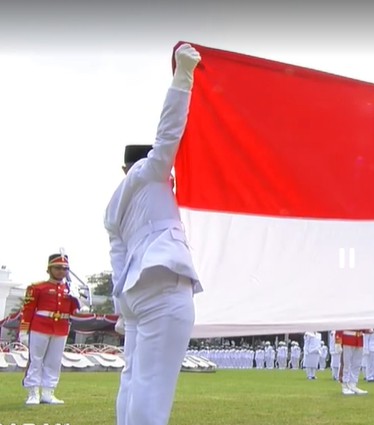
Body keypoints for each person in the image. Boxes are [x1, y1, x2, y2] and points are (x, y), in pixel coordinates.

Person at [104, 43, 203, 425]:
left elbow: (117, 263)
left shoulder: (112, 207)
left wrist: (121, 314)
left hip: (134, 295)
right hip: (163, 282)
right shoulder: (149, 173)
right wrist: (184, 76)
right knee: (153, 387)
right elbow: (169, 132)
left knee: (132, 381)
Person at [19, 253, 80, 405]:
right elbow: (28, 309)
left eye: (65, 268)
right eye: (57, 268)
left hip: (61, 328)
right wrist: (24, 330)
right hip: (40, 326)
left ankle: (48, 392)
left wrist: (79, 300)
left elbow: (74, 311)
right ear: (49, 269)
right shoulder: (37, 287)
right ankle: (33, 392)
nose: (61, 271)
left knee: (54, 361)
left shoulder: (70, 289)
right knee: (36, 360)